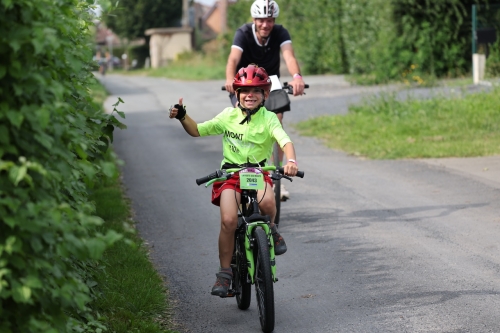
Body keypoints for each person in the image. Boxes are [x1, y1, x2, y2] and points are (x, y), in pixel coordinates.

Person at [169, 65, 299, 297]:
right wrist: (182, 116)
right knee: (229, 220)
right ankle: (225, 272)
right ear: (236, 94)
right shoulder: (227, 116)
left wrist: (291, 161)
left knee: (269, 204)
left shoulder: (269, 118)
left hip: (258, 172)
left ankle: (271, 229)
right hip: (231, 175)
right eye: (245, 91)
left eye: (257, 91)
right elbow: (198, 130)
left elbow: (285, 141)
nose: (251, 95)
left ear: (265, 95)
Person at [224, 0, 305, 201]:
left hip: (270, 84)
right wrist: (229, 80)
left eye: (269, 20)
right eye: (261, 20)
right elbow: (233, 60)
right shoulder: (243, 33)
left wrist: (297, 78)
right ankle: (242, 172)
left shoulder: (280, 33)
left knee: (276, 122)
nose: (265, 25)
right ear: (254, 20)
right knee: (244, 122)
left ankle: (276, 179)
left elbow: (289, 56)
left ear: (274, 20)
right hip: (244, 83)